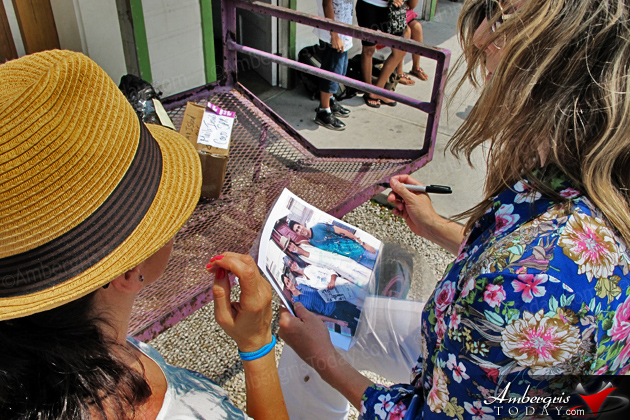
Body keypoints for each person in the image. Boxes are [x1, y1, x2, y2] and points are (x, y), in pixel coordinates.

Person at [279, 0, 630, 418]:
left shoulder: (538, 282)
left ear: (565, 58)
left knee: (313, 344)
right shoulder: (584, 172)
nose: (481, 37)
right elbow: (511, 265)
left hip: (486, 379)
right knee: (324, 320)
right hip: (466, 344)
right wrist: (432, 225)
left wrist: (326, 361)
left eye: (506, 17)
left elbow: (427, 415)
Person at [0, 50, 288, 420]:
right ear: (125, 268)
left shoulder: (61, 352)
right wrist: (258, 344)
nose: (177, 223)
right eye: (165, 212)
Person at [356, 0, 407, 107]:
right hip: (369, 4)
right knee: (369, 49)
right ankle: (369, 91)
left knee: (400, 50)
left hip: (392, 7)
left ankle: (378, 90)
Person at [314, 0, 354, 131]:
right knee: (332, 72)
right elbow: (327, 4)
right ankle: (323, 111)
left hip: (343, 31)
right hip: (333, 35)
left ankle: (330, 101)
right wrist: (334, 34)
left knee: (340, 70)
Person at [279, 235, 372, 287]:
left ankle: (374, 277)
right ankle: (370, 286)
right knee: (355, 276)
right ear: (289, 250)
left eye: (290, 244)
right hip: (333, 267)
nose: (291, 247)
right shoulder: (300, 258)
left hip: (335, 257)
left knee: (358, 267)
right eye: (289, 247)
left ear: (292, 242)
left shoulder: (303, 243)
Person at [282, 274, 360, 334]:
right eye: (287, 283)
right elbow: (317, 316)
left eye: (289, 280)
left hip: (337, 302)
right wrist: (337, 321)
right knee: (356, 326)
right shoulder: (297, 303)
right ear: (287, 288)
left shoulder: (302, 285)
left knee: (359, 313)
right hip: (333, 313)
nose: (290, 283)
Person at [289, 220, 378, 269]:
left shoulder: (318, 227)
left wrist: (363, 244)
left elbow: (343, 231)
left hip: (359, 249)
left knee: (384, 258)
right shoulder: (312, 243)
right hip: (355, 261)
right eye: (297, 231)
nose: (300, 230)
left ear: (301, 224)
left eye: (299, 227)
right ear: (297, 234)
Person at [396, 1, 429, 84]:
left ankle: (416, 67)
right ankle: (399, 71)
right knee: (405, 31)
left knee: (417, 27)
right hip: (388, 13)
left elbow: (411, 5)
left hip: (403, 14)